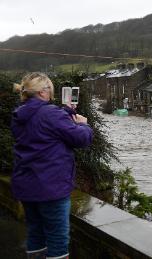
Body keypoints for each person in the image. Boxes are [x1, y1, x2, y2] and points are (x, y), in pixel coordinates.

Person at [10, 72, 93, 259]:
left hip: (26, 185)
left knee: (36, 233)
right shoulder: (49, 114)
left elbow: (43, 125)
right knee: (57, 240)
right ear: (42, 92)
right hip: (50, 187)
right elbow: (81, 139)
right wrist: (84, 125)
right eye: (50, 89)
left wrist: (67, 111)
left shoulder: (19, 113)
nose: (51, 94)